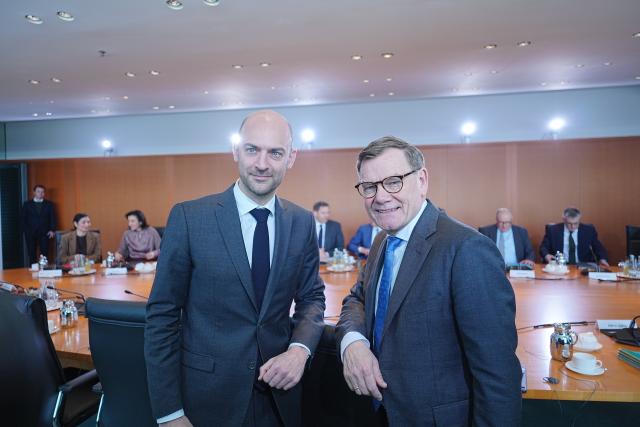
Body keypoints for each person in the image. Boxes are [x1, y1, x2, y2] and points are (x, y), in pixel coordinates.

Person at [145, 110, 326, 427]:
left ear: (291, 157)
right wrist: (169, 413)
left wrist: (299, 350)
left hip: (279, 399)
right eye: (252, 149)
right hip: (206, 401)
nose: (261, 163)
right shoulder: (190, 218)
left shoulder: (301, 222)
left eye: (275, 152)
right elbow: (162, 316)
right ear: (236, 151)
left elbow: (311, 297)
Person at [336, 136, 521, 426]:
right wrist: (353, 341)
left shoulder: (467, 248)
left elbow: (496, 372)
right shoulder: (382, 241)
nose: (381, 196)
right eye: (369, 187)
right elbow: (356, 299)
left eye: (394, 181)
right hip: (376, 413)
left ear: (422, 180)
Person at [539, 207, 609, 266]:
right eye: (569, 223)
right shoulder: (553, 230)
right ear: (564, 220)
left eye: (576, 223)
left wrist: (602, 259)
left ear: (579, 220)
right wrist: (546, 255)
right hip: (560, 266)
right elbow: (543, 247)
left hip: (582, 265)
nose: (573, 226)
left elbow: (598, 247)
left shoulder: (588, 230)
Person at [21, 184, 56, 264]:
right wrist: (25, 231)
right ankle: (32, 271)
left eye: (42, 192)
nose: (41, 193)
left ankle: (44, 271)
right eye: (38, 191)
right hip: (30, 233)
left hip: (45, 232)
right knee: (31, 253)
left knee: (44, 253)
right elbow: (23, 219)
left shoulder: (49, 204)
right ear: (34, 192)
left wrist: (52, 230)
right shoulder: (27, 204)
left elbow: (52, 217)